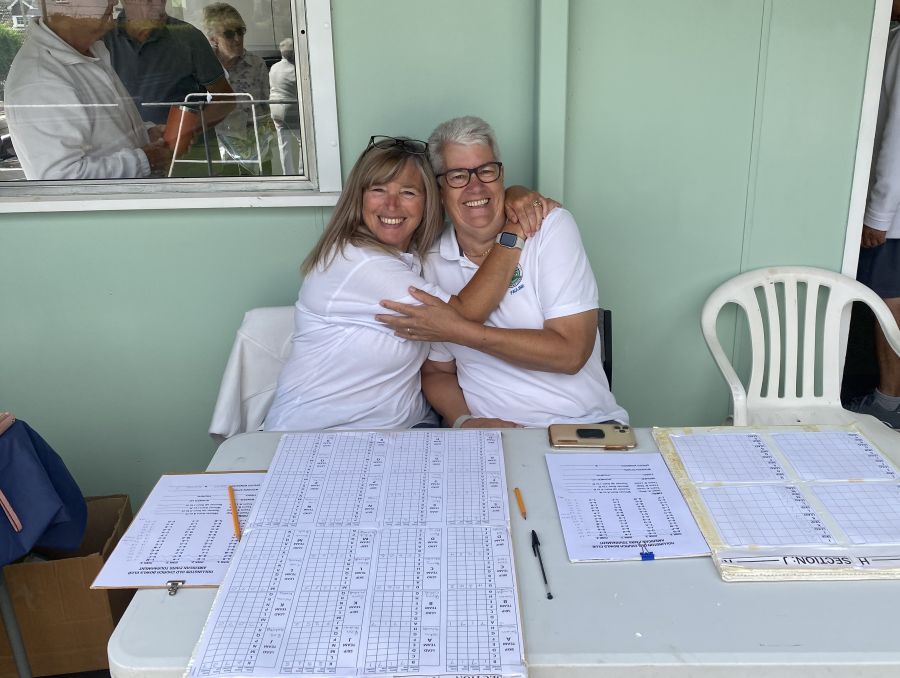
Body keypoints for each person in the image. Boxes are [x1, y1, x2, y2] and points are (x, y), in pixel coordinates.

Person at [264, 135, 551, 431]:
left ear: (429, 200)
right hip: (316, 435)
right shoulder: (358, 261)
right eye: (378, 190)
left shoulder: (413, 257)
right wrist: (513, 229)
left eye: (408, 192)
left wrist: (511, 195)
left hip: (402, 431)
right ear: (358, 198)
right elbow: (464, 315)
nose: (391, 205)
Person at [378, 116, 628, 428]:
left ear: (501, 176)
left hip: (582, 426)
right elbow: (437, 371)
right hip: (487, 435)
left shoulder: (549, 228)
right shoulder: (428, 260)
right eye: (458, 176)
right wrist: (465, 421)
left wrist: (460, 330)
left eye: (486, 171)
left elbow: (571, 353)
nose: (475, 187)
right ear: (439, 189)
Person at [4, 0, 171, 179]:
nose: (114, 1)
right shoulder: (40, 79)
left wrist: (146, 134)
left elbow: (105, 135)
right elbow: (61, 179)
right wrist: (146, 160)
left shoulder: (88, 51)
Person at [851, 0, 900, 428]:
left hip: (895, 215)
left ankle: (887, 403)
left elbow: (897, 137)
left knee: (889, 302)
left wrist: (878, 214)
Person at [103, 0, 234, 126]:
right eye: (149, 0)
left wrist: (188, 128)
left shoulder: (188, 37)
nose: (158, 6)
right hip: (126, 140)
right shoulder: (104, 39)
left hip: (189, 140)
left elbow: (225, 99)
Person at [203, 2, 273, 175]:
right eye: (229, 34)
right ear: (213, 39)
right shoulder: (203, 67)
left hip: (258, 150)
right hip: (221, 154)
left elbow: (267, 106)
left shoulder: (256, 64)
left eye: (240, 31)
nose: (237, 39)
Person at [269, 38, 302, 175]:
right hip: (290, 108)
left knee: (284, 144)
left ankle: (288, 174)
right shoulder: (295, 69)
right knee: (302, 141)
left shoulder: (274, 67)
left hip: (274, 107)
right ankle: (302, 171)